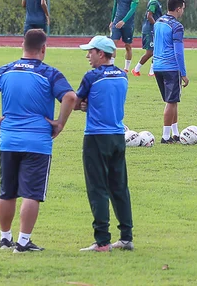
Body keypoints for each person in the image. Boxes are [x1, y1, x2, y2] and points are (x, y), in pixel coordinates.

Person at [0, 29, 77, 253]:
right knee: (31, 194)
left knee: (7, 191)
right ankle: (22, 242)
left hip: (8, 139)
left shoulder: (6, 70)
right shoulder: (49, 73)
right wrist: (60, 123)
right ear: (43, 48)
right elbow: (69, 97)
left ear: (22, 46)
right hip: (37, 141)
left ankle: (4, 238)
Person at [75, 36, 133, 252]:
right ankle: (126, 237)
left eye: (90, 51)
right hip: (118, 136)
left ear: (101, 53)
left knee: (97, 188)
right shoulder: (122, 76)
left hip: (96, 137)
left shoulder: (92, 77)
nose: (88, 55)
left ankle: (102, 241)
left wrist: (83, 105)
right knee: (119, 187)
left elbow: (75, 103)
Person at [153, 0, 189, 143]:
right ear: (178, 8)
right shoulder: (177, 26)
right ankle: (165, 136)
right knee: (171, 101)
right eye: (183, 9)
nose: (183, 12)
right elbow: (178, 52)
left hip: (157, 66)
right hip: (171, 67)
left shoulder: (158, 22)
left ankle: (175, 133)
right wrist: (184, 74)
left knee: (172, 101)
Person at [109, 0, 140, 72]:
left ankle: (126, 69)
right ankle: (110, 67)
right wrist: (112, 20)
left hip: (128, 24)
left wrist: (124, 21)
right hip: (116, 23)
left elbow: (133, 9)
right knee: (113, 44)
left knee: (128, 46)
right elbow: (115, 6)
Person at [133, 0, 166, 77]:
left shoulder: (158, 2)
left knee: (156, 50)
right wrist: (156, 26)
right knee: (150, 52)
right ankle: (136, 69)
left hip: (154, 30)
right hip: (150, 30)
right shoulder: (153, 2)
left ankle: (152, 71)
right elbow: (149, 15)